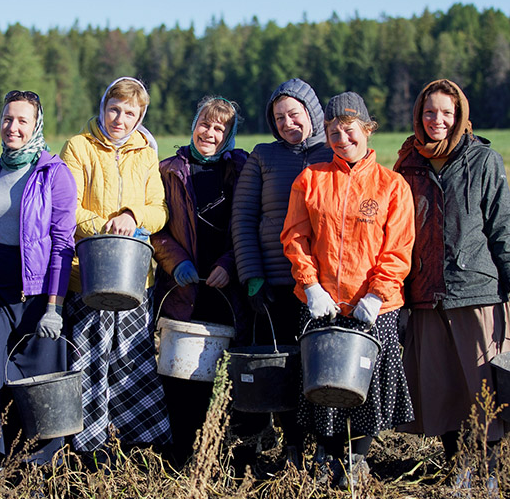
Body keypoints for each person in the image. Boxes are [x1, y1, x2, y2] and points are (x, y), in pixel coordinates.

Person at [394, 79, 510, 485]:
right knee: (441, 392)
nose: (437, 120)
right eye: (429, 112)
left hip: (475, 292)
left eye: (446, 113)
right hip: (424, 296)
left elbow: (501, 229)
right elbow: (397, 234)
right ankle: (459, 469)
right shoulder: (407, 164)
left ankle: (488, 473)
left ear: (459, 116)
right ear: (419, 115)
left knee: (483, 391)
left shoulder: (482, 161)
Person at [281, 91, 416, 488]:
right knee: (322, 383)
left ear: (367, 130)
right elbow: (295, 237)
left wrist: (376, 294)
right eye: (334, 132)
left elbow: (398, 247)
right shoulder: (311, 179)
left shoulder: (392, 186)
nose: (343, 139)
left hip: (373, 307)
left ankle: (357, 456)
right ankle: (325, 452)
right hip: (323, 304)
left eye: (350, 130)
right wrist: (311, 286)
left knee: (367, 383)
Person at [0, 90, 77, 468]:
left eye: (22, 120)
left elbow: (61, 245)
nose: (13, 127)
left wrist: (53, 307)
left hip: (38, 291)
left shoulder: (54, 174)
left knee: (40, 380)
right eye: (8, 119)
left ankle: (38, 467)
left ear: (36, 125)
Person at [58, 77, 170, 462]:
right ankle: (88, 450)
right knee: (89, 359)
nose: (120, 119)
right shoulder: (79, 147)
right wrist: (107, 226)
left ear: (141, 117)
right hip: (89, 273)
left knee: (132, 359)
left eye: (130, 113)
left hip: (135, 277)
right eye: (115, 109)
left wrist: (132, 215)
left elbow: (159, 209)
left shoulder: (145, 153)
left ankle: (138, 448)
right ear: (103, 106)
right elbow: (66, 208)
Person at [151, 96, 261, 469]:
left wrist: (231, 264)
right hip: (184, 290)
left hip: (228, 293)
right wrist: (175, 259)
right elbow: (156, 228)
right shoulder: (168, 170)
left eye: (219, 128)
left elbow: (250, 224)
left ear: (229, 135)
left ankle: (231, 457)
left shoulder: (241, 170)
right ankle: (184, 457)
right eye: (205, 124)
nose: (209, 133)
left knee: (232, 378)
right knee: (185, 378)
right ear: (193, 123)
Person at [230, 78, 333, 468]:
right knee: (283, 367)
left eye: (294, 114)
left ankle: (325, 447)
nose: (288, 122)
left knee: (319, 369)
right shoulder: (263, 157)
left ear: (312, 113)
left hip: (324, 287)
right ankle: (290, 447)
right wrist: (252, 277)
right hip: (274, 282)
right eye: (279, 117)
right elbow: (242, 219)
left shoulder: (333, 151)